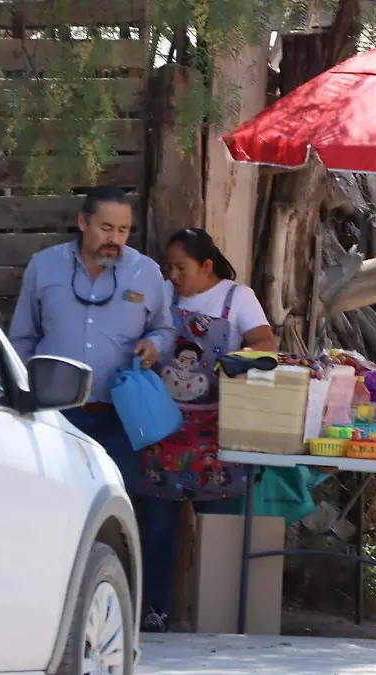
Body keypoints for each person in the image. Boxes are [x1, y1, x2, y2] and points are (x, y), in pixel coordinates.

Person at [7, 185, 175, 619]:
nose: (114, 239)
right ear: (83, 223)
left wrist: (154, 347)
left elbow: (166, 331)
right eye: (105, 227)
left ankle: (145, 611)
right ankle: (46, 606)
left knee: (134, 509)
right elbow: (22, 338)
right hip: (59, 416)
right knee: (56, 509)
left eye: (123, 230)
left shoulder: (147, 273)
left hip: (120, 418)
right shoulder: (44, 267)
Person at [130, 228, 277, 633]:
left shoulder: (236, 297)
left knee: (218, 528)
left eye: (181, 267)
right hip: (162, 428)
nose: (173, 274)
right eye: (169, 266)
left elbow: (266, 341)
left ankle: (217, 615)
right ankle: (154, 611)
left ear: (206, 266)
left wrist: (240, 359)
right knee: (157, 526)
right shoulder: (162, 293)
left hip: (216, 432)